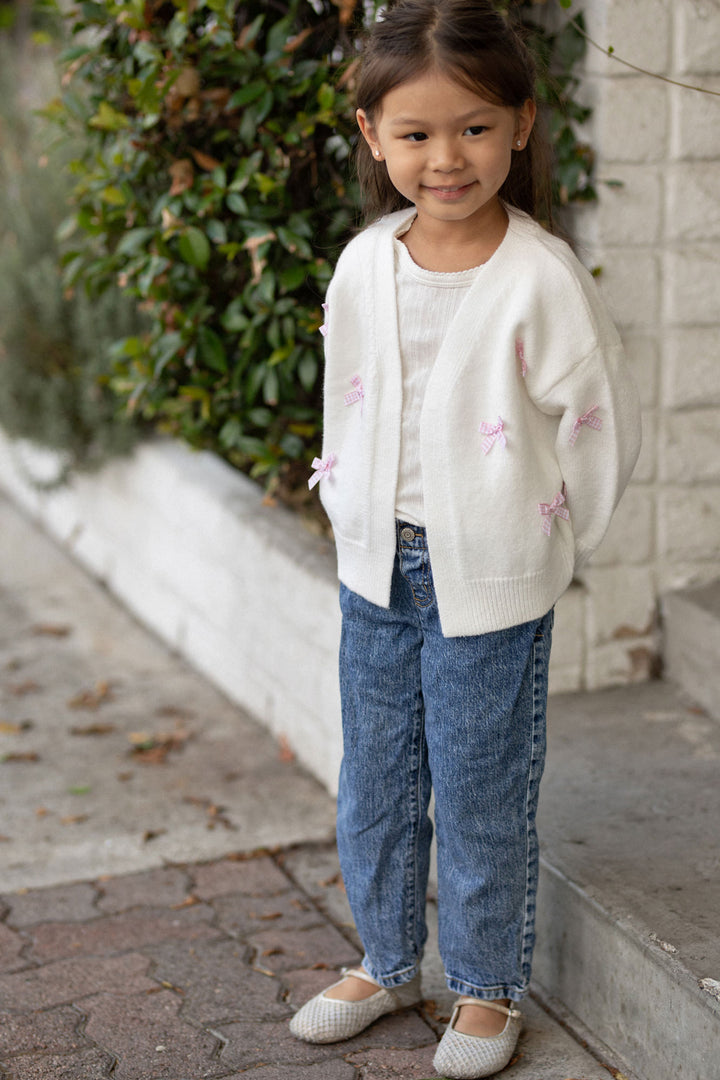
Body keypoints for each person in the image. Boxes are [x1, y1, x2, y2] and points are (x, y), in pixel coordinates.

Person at [291, 1, 641, 1076]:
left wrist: (547, 545)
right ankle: (389, 962)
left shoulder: (540, 277)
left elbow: (595, 430)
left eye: (476, 127)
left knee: (482, 787)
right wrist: (351, 515)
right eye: (417, 133)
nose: (447, 157)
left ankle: (487, 988)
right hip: (376, 569)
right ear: (371, 136)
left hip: (488, 572)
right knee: (379, 780)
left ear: (523, 126)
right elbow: (346, 402)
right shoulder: (364, 264)